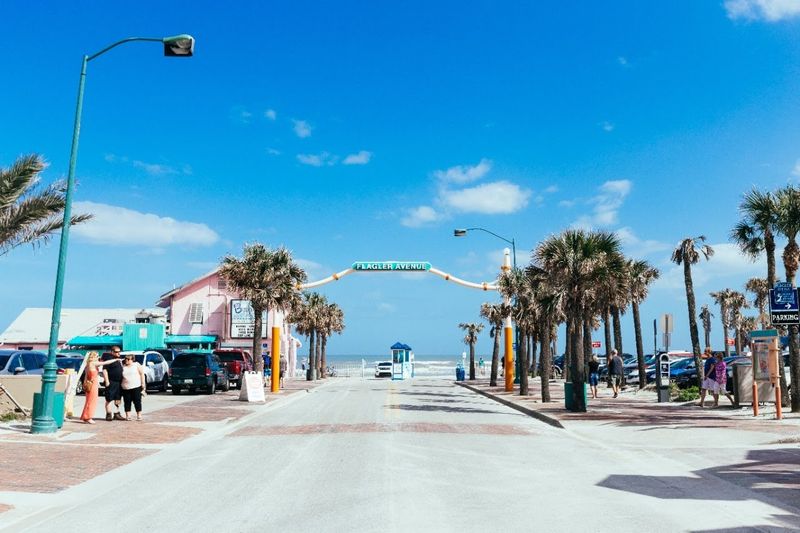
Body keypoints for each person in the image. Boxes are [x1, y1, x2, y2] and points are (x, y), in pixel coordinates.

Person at [78, 352, 120, 424]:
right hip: (93, 384)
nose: (98, 357)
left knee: (88, 401)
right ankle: (89, 417)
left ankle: (86, 416)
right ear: (93, 356)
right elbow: (105, 363)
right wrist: (115, 360)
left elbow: (85, 376)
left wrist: (85, 384)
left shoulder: (88, 364)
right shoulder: (93, 363)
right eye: (97, 356)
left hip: (90, 384)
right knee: (92, 401)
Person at [101, 348, 125, 421]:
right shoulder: (109, 359)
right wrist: (107, 381)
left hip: (119, 382)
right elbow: (104, 370)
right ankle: (108, 414)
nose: (118, 353)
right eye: (116, 352)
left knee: (118, 398)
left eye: (119, 352)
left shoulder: (119, 360)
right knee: (109, 398)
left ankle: (116, 413)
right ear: (112, 352)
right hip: (111, 381)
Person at [121, 353, 147, 421]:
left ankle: (139, 415)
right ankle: (128, 415)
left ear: (132, 360)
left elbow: (142, 374)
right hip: (126, 387)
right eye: (125, 359)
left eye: (128, 359)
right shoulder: (123, 366)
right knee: (127, 402)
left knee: (137, 401)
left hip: (136, 386)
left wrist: (143, 384)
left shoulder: (136, 365)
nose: (126, 360)